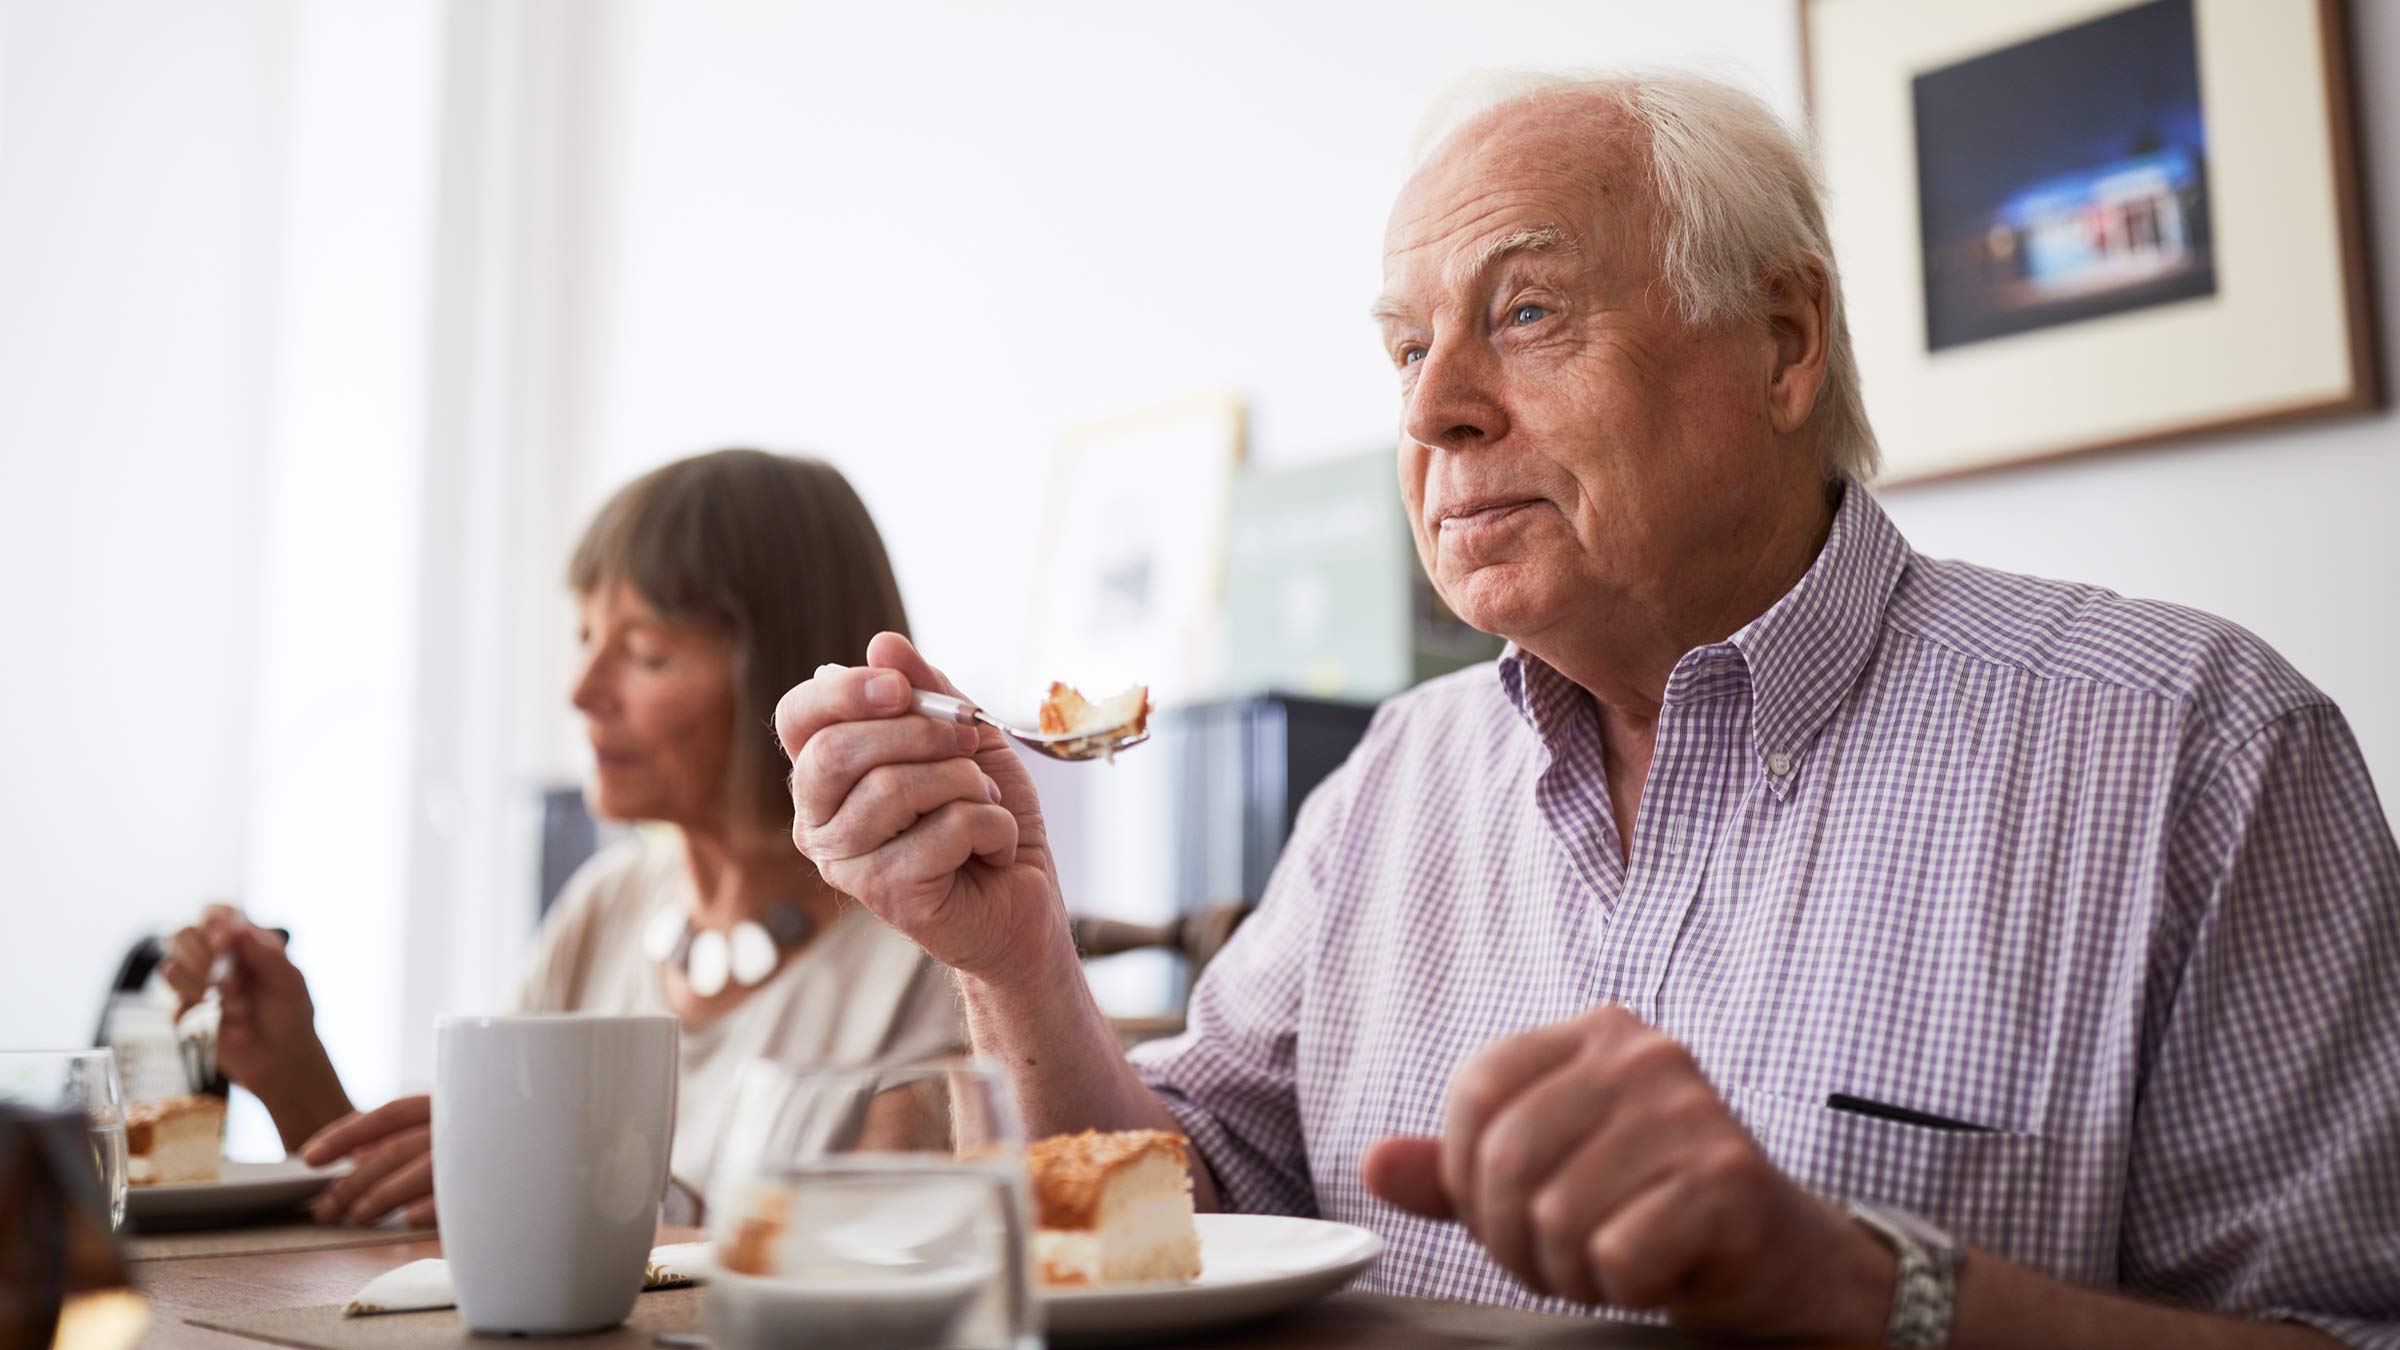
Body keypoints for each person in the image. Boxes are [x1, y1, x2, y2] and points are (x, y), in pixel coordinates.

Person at [776, 72, 2400, 1347]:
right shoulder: (1393, 785)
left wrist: (1850, 1288)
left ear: (1782, 342)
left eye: (1526, 313)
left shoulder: (2195, 747)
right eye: (1408, 345)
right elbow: (1150, 1230)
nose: (1432, 408)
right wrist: (1019, 967)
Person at [166, 449, 965, 1226]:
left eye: (647, 653)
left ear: (793, 679)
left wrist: (561, 1183)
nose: (580, 691)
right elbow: (472, 1210)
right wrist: (293, 1074)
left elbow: (875, 1268)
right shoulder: (610, 905)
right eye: (585, 637)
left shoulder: (937, 951)